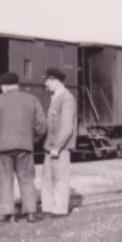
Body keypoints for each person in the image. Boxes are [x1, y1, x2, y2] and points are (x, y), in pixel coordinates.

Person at [0, 72, 47, 223]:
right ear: (17, 85)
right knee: (27, 179)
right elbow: (42, 126)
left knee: (3, 180)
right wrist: (32, 139)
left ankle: (6, 213)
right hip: (25, 147)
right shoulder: (32, 99)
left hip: (2, 147)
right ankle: (31, 212)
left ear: (3, 86)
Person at [40, 67, 78, 217]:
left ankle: (60, 209)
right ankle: (48, 208)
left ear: (55, 81)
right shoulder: (56, 97)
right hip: (50, 146)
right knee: (48, 178)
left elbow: (67, 126)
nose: (46, 84)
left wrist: (57, 147)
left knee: (60, 179)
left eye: (47, 80)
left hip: (60, 148)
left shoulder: (67, 99)